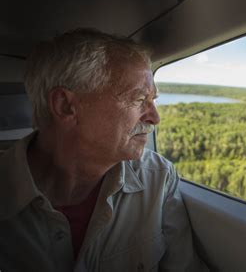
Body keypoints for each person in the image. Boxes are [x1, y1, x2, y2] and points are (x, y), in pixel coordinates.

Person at [0, 29, 208, 271]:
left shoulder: (159, 177)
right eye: (139, 99)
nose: (155, 118)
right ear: (66, 106)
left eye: (153, 100)